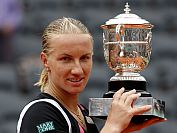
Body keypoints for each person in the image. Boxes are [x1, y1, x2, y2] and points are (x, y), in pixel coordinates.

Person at [17, 17, 165, 133]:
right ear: (45, 61)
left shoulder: (83, 114)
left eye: (84, 58)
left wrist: (120, 129)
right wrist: (112, 127)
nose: (78, 70)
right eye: (65, 59)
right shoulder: (39, 114)